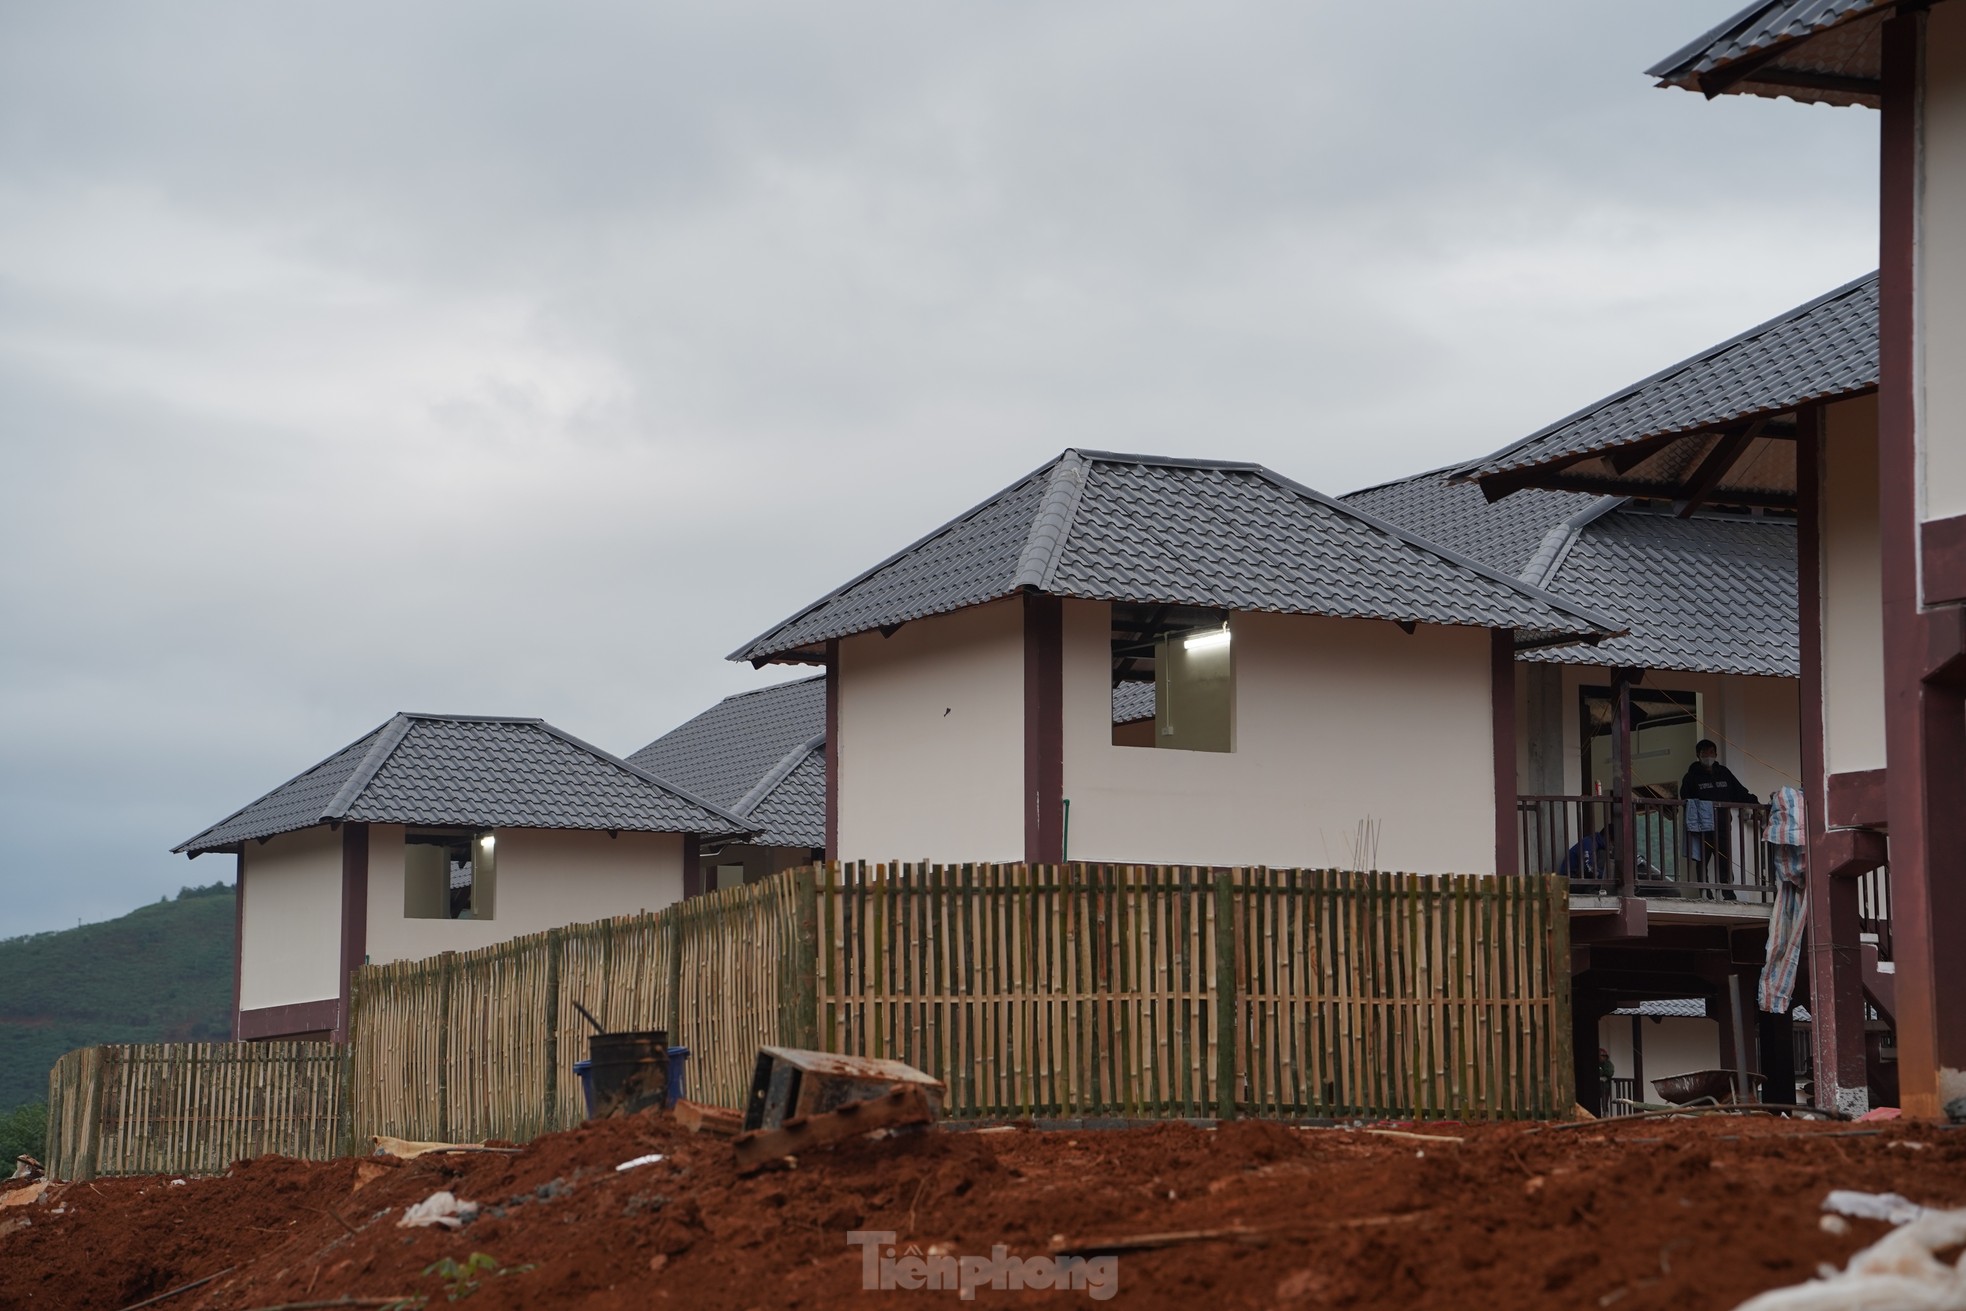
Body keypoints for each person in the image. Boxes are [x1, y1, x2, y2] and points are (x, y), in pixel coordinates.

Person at [1680, 740, 1755, 900]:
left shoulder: (1724, 773)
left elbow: (1739, 792)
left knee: (1725, 859)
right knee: (1702, 860)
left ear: (1715, 754)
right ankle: (1705, 892)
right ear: (1698, 755)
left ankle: (1728, 892)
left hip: (1722, 825)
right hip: (1702, 827)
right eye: (1704, 753)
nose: (1708, 756)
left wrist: (1754, 802)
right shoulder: (1691, 776)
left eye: (1711, 752)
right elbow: (1685, 798)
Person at [1598, 1047, 1616, 1116]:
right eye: (1602, 1056)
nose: (1603, 1058)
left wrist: (1601, 1072)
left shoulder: (1608, 1064)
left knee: (1604, 1103)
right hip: (1596, 1087)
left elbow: (1610, 1073)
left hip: (1605, 1087)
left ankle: (1605, 1117)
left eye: (1604, 1056)